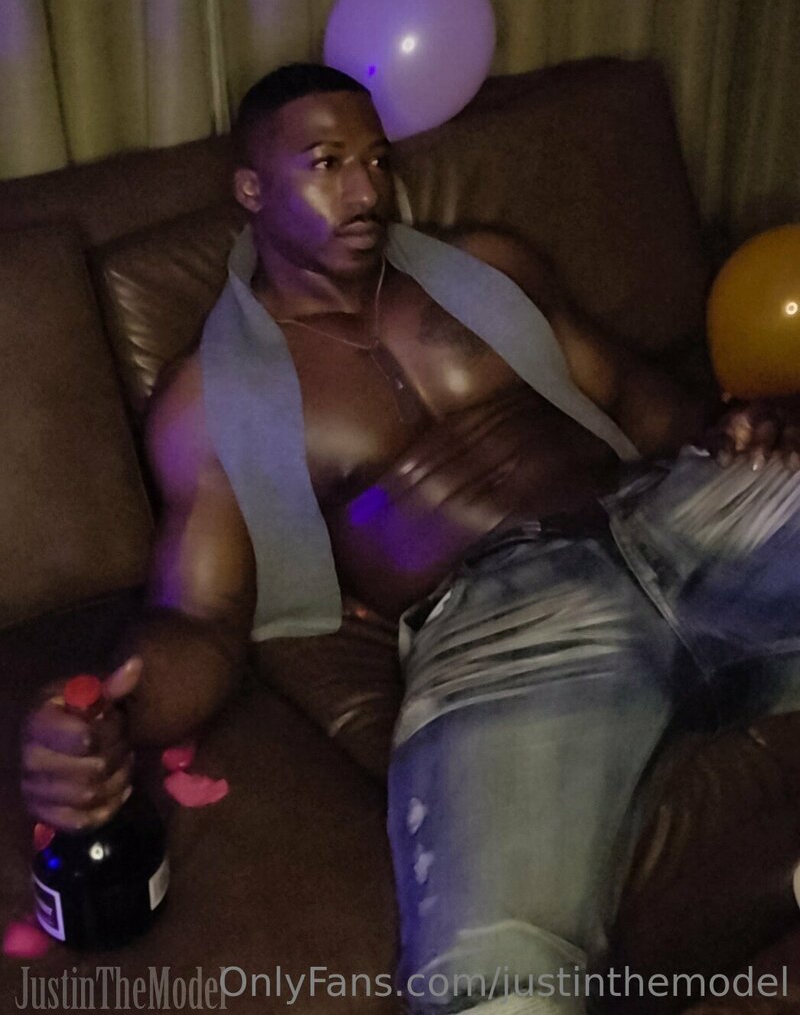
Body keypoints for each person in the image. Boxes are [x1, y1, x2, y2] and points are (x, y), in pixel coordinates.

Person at [20, 63, 800, 1013]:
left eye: (377, 160)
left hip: (670, 514)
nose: (366, 191)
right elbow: (201, 616)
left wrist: (736, 428)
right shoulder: (212, 401)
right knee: (492, 981)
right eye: (326, 163)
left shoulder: (492, 269)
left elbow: (637, 399)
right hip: (503, 624)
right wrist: (111, 720)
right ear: (252, 189)